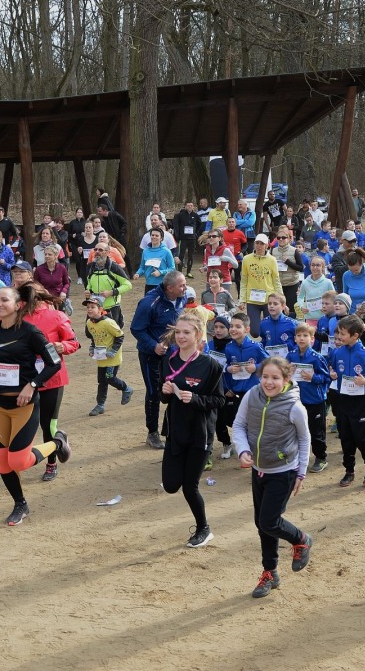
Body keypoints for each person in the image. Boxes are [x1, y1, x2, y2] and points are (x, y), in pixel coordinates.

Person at [0, 285, 70, 525]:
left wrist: (32, 385)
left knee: (18, 461)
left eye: (3, 300)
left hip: (24, 406)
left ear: (18, 305)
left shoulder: (31, 332)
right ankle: (20, 504)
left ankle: (57, 442)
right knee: (3, 461)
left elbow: (54, 363)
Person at [158, 310, 225, 548]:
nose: (181, 336)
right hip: (176, 430)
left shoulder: (211, 366)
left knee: (190, 486)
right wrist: (165, 393)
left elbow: (219, 401)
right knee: (170, 485)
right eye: (178, 332)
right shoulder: (168, 360)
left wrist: (194, 399)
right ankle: (201, 526)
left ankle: (203, 528)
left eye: (186, 332)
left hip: (200, 434)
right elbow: (162, 397)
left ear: (198, 335)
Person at [21, 282, 79, 482]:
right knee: (24, 422)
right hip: (26, 378)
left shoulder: (56, 316)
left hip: (53, 378)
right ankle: (19, 459)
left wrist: (61, 346)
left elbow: (74, 342)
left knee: (47, 424)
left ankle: (51, 463)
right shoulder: (18, 316)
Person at [130, 271, 187, 450]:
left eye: (185, 284)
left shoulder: (182, 297)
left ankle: (172, 429)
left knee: (176, 390)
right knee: (154, 393)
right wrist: (154, 345)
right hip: (151, 356)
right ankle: (152, 433)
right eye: (181, 285)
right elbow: (136, 329)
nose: (185, 288)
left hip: (174, 355)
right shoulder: (149, 303)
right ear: (169, 288)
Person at [326, 314, 365, 487]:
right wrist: (332, 374)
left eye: (343, 334)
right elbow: (332, 368)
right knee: (346, 437)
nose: (339, 337)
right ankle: (349, 471)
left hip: (362, 401)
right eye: (339, 334)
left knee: (361, 437)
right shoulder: (337, 352)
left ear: (355, 335)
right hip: (343, 399)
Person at [286, 324, 331, 473]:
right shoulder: (291, 355)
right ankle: (297, 458)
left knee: (316, 431)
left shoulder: (316, 358)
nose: (301, 338)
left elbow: (326, 378)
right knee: (296, 430)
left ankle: (321, 457)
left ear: (312, 339)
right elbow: (284, 375)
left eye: (305, 336)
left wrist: (313, 377)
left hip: (315, 400)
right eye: (298, 336)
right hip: (296, 400)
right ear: (294, 338)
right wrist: (288, 374)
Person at [84, 294, 132, 416]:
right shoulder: (89, 323)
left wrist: (113, 351)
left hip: (112, 357)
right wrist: (92, 347)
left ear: (100, 309)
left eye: (92, 307)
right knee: (102, 381)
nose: (89, 309)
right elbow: (94, 337)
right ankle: (100, 405)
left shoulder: (109, 323)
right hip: (101, 357)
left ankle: (126, 388)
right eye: (88, 307)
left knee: (109, 377)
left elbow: (120, 336)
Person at [239, 234, 282, 338]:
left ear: (266, 246)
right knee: (254, 332)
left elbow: (276, 280)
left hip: (269, 299)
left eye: (262, 244)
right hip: (252, 300)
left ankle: (265, 349)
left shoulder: (272, 260)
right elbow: (244, 280)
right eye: (257, 243)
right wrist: (242, 299)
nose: (259, 246)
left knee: (269, 330)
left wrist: (281, 297)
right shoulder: (246, 259)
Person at [271, 226, 305, 317]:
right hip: (279, 285)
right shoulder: (273, 251)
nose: (281, 239)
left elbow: (301, 268)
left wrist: (288, 262)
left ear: (289, 239)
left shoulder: (294, 251)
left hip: (292, 284)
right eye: (279, 238)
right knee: (279, 309)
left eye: (283, 237)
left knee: (290, 309)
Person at [134, 228, 176, 294]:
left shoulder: (166, 251)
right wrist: (138, 273)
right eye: (152, 235)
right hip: (149, 284)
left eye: (157, 236)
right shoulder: (145, 251)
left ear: (161, 238)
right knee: (148, 304)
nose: (154, 237)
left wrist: (160, 272)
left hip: (162, 284)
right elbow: (142, 267)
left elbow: (172, 269)